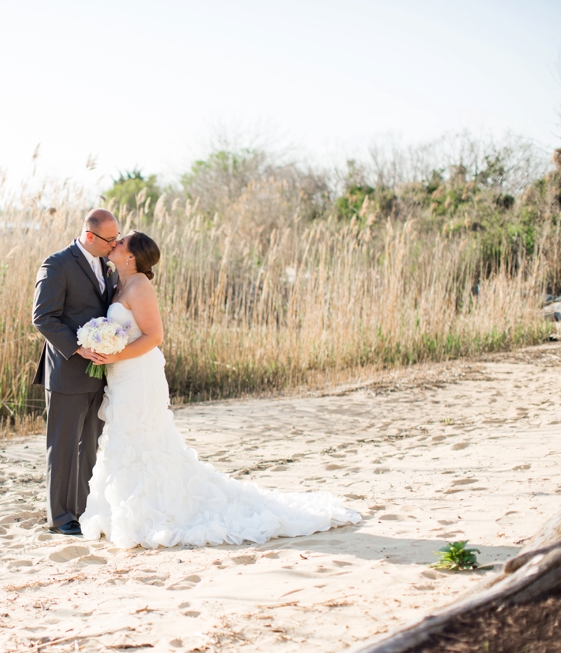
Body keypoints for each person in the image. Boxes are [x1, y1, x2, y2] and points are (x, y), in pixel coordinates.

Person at [79, 231, 361, 548]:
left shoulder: (140, 285)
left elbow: (154, 337)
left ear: (131, 257)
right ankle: (123, 510)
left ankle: (151, 512)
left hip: (139, 376)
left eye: (120, 242)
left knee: (141, 438)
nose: (113, 243)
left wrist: (114, 354)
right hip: (121, 375)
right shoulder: (116, 283)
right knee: (123, 437)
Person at [32, 209, 120, 535]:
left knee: (90, 445)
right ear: (90, 236)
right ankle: (60, 517)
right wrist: (78, 347)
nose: (115, 245)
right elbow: (43, 318)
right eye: (110, 240)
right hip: (67, 372)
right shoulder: (57, 265)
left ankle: (84, 511)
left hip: (99, 373)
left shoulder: (105, 265)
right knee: (64, 446)